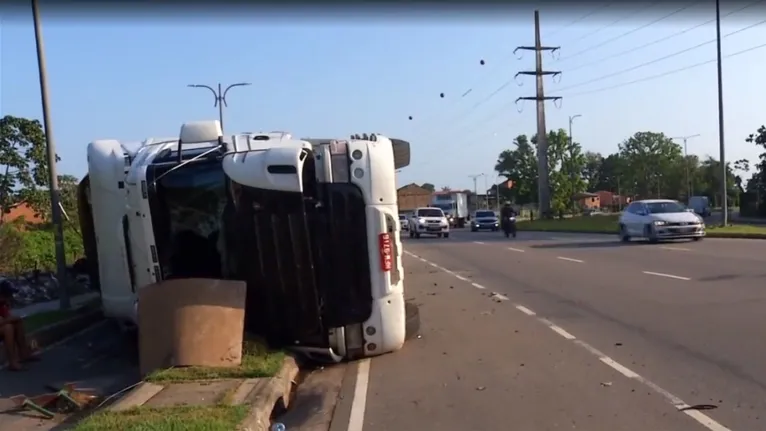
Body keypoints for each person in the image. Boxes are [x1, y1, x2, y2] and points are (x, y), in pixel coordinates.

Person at [0, 281, 37, 371]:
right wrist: (13, 318)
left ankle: (24, 354)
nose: (11, 297)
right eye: (8, 295)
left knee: (17, 323)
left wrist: (16, 318)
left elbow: (7, 317)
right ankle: (12, 362)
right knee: (8, 328)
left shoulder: (3, 304)